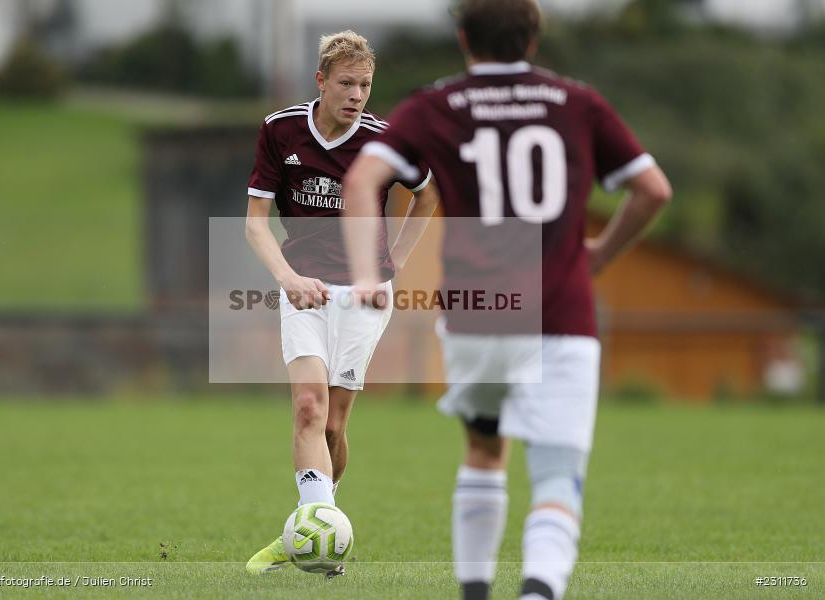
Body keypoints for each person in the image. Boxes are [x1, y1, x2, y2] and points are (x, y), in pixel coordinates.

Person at [342, 1, 672, 598]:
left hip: (478, 314)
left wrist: (368, 272)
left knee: (483, 448)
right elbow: (652, 190)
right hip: (562, 315)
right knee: (555, 477)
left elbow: (362, 178)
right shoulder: (578, 103)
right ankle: (538, 591)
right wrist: (597, 254)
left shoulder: (434, 104)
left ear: (464, 37)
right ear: (535, 39)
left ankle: (475, 592)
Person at [244, 30, 439, 576]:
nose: (357, 95)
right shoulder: (280, 130)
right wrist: (287, 277)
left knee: (334, 428)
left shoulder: (383, 141)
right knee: (309, 407)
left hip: (365, 293)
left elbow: (428, 192)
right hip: (304, 286)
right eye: (347, 83)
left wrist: (395, 261)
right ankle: (319, 533)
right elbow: (255, 225)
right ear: (322, 81)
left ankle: (311, 532)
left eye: (366, 86)